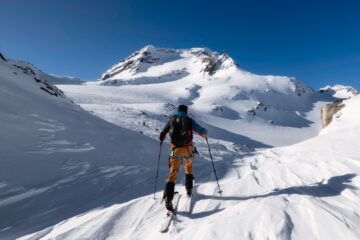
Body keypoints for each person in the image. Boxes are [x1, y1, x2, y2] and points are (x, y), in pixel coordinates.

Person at [159, 104, 207, 212]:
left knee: (172, 173)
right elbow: (202, 131)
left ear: (178, 110)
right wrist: (205, 134)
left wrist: (162, 138)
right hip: (188, 149)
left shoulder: (172, 119)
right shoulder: (189, 120)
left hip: (175, 149)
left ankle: (168, 198)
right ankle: (189, 189)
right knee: (188, 167)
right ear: (186, 111)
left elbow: (163, 132)